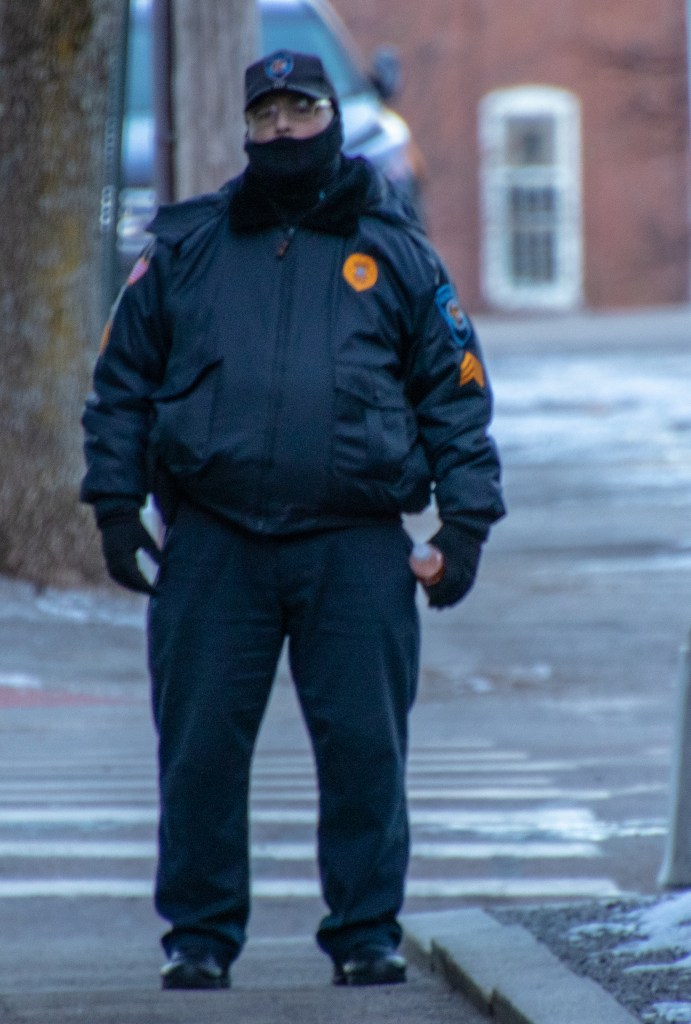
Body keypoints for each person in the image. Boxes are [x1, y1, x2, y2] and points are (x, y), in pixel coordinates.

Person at [81, 50, 505, 991]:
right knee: (198, 752)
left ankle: (364, 932)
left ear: (331, 119)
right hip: (214, 539)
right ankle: (199, 936)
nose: (283, 127)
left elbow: (456, 393)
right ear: (246, 127)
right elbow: (121, 384)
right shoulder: (185, 247)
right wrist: (114, 503)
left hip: (354, 541)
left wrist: (463, 526)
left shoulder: (395, 252)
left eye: (300, 110)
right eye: (265, 113)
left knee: (364, 749)